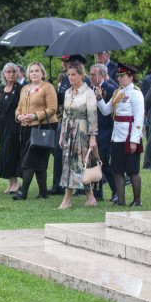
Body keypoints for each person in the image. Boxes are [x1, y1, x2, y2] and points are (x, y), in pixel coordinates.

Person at [96, 63, 144, 207]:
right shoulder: (117, 93)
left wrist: (134, 140)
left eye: (122, 76)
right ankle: (121, 200)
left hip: (130, 136)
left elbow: (138, 119)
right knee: (117, 169)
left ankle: (137, 200)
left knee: (132, 170)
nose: (119, 79)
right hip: (117, 136)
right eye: (119, 76)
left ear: (131, 77)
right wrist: (99, 98)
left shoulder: (136, 93)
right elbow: (106, 111)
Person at [13, 62, 58, 200]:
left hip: (42, 127)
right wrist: (19, 116)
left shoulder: (48, 87)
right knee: (38, 163)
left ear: (42, 73)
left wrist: (35, 116)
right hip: (27, 128)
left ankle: (23, 193)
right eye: (31, 71)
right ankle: (43, 193)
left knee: (29, 161)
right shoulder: (25, 88)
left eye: (37, 71)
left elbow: (53, 108)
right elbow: (19, 107)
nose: (34, 73)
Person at [58, 62, 98, 209]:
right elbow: (64, 115)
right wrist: (62, 134)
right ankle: (90, 197)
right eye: (69, 74)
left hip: (82, 132)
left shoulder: (89, 93)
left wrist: (92, 137)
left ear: (82, 75)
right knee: (68, 163)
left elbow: (93, 116)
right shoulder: (68, 92)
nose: (70, 77)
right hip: (69, 130)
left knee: (80, 164)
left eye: (73, 74)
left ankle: (68, 199)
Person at [49, 54, 88, 196]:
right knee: (60, 153)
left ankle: (81, 187)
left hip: (80, 124)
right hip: (65, 121)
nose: (67, 65)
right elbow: (61, 101)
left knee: (79, 156)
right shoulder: (65, 79)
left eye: (70, 63)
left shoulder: (87, 83)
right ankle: (58, 184)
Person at [89, 63, 117, 202]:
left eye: (93, 74)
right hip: (93, 131)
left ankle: (115, 190)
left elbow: (110, 113)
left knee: (105, 163)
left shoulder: (111, 89)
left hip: (106, 131)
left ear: (101, 75)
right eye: (90, 74)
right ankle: (97, 192)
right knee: (94, 163)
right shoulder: (89, 89)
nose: (91, 77)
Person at [0, 63, 22, 193]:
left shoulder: (21, 89)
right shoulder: (0, 89)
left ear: (17, 74)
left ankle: (15, 182)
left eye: (13, 72)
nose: (11, 74)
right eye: (8, 72)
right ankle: (10, 182)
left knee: (12, 153)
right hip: (3, 126)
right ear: (4, 74)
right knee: (4, 153)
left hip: (15, 125)